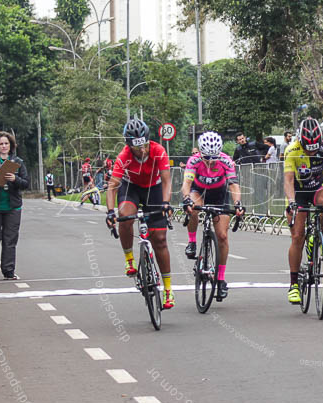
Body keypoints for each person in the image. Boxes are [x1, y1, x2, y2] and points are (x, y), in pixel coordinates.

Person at [105, 119, 176, 309]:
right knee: (125, 217)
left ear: (148, 140)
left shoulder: (158, 150)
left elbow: (167, 181)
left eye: (144, 145)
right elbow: (112, 187)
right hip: (131, 188)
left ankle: (168, 290)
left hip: (154, 187)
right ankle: (130, 259)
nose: (142, 150)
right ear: (129, 145)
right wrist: (110, 212)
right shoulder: (124, 156)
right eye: (137, 147)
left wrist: (166, 203)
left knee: (159, 239)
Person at [283, 117, 323, 304]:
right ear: (300, 141)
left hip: (318, 188)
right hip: (298, 191)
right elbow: (287, 181)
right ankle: (294, 284)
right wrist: (291, 201)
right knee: (297, 237)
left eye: (314, 148)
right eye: (307, 147)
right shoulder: (292, 150)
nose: (311, 151)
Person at [181, 131, 245, 301]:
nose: (210, 161)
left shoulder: (225, 160)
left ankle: (221, 278)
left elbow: (234, 185)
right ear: (201, 152)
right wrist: (186, 199)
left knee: (222, 236)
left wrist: (238, 203)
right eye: (207, 157)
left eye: (213, 157)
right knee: (193, 208)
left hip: (218, 194)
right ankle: (192, 242)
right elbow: (186, 184)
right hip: (199, 191)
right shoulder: (193, 160)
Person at [0, 131, 29, 281]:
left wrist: (14, 179)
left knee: (10, 239)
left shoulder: (18, 161)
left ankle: (8, 270)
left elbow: (25, 183)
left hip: (13, 206)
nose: (4, 146)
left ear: (11, 145)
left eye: (6, 143)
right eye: (1, 144)